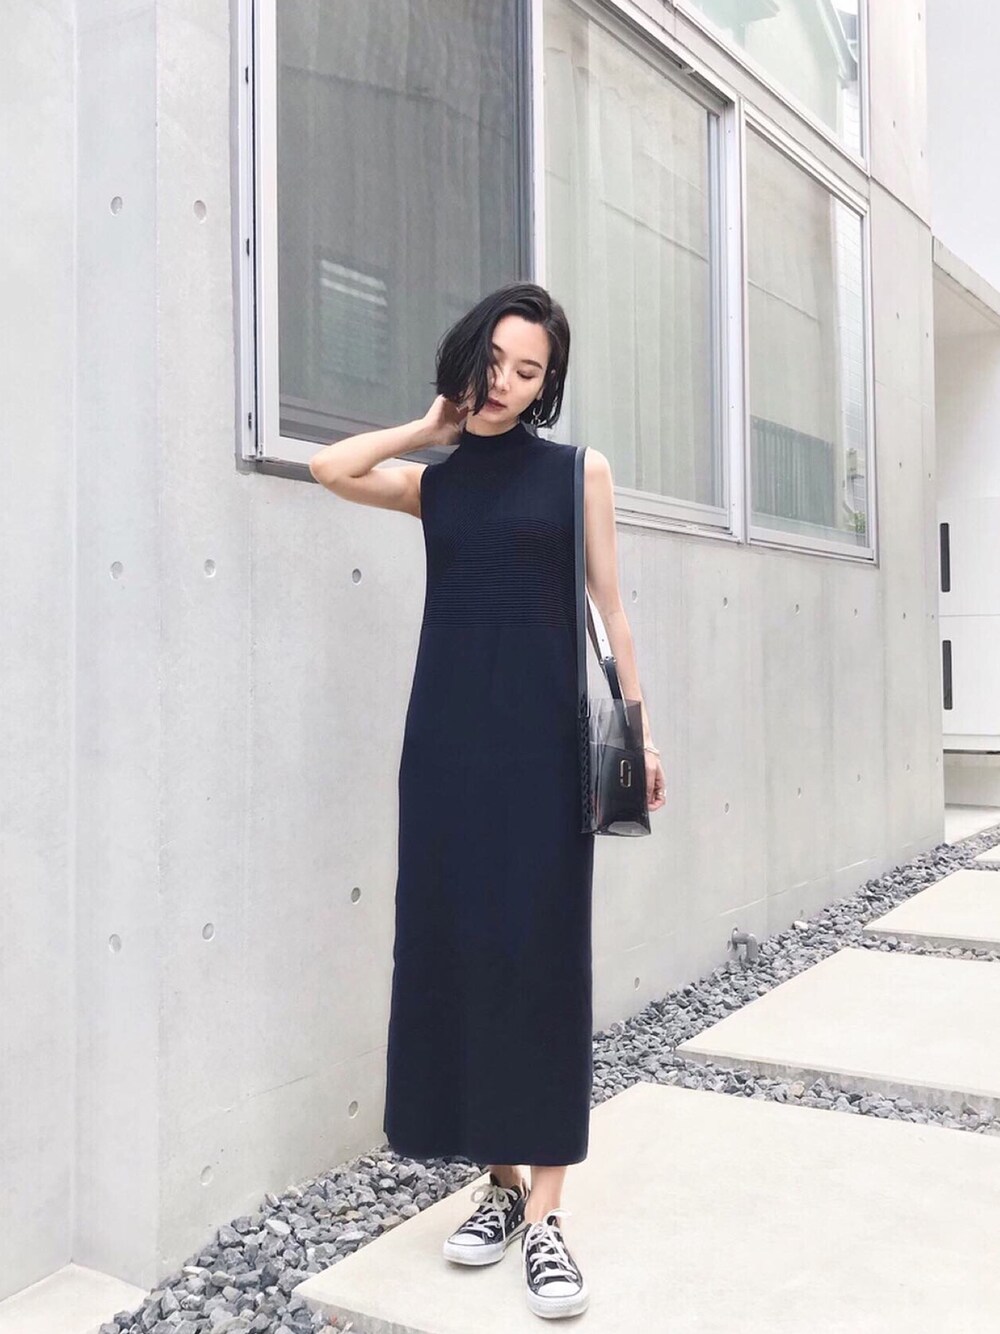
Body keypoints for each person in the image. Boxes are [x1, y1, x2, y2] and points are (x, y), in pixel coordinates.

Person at [308, 281, 666, 1321]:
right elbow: (332, 468)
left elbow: (611, 612)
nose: (506, 382)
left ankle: (548, 1213)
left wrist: (638, 730)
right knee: (463, 953)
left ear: (548, 384)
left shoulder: (576, 472)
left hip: (543, 751)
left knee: (541, 961)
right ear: (468, 359)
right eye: (494, 361)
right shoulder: (436, 484)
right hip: (446, 751)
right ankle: (501, 1184)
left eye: (528, 370)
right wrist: (430, 427)